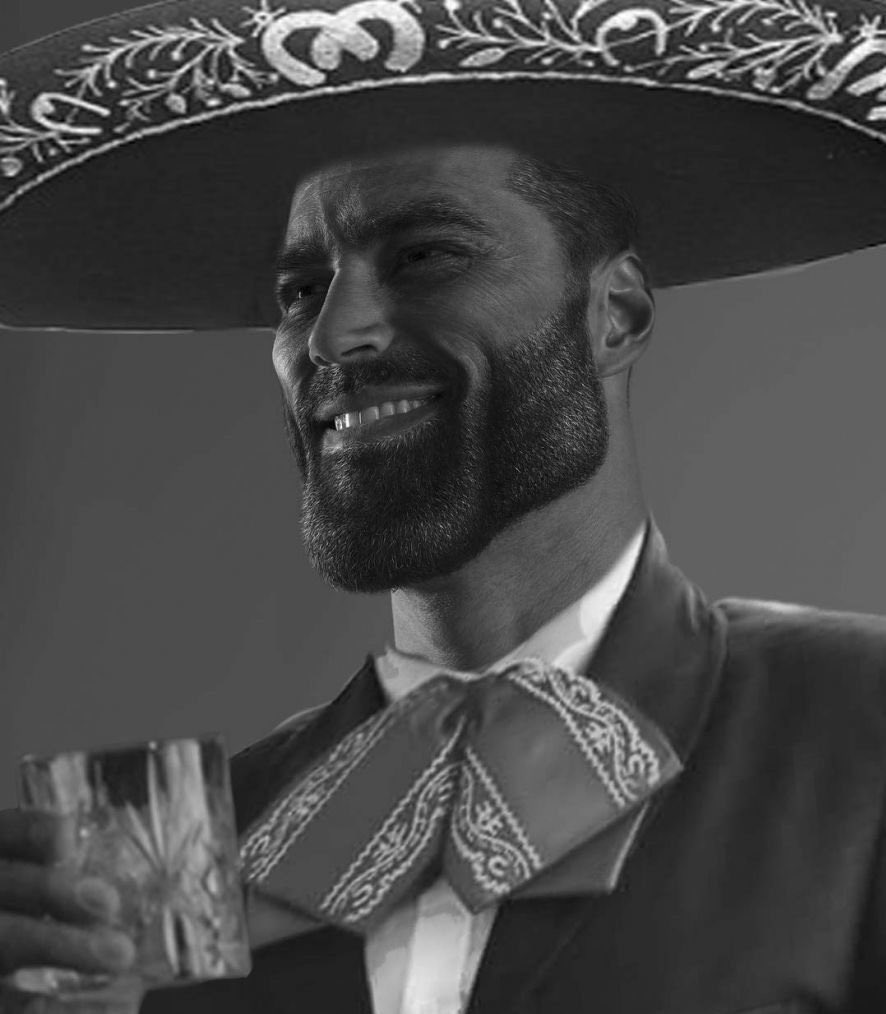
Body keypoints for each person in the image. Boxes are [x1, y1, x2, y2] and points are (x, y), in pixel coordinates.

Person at [2, 1, 886, 1012]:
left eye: (426, 256)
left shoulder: (859, 725)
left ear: (616, 314)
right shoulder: (194, 853)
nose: (332, 336)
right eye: (299, 292)